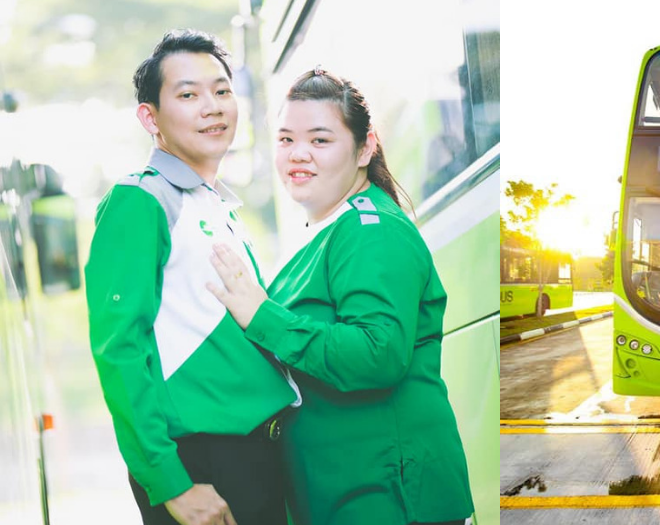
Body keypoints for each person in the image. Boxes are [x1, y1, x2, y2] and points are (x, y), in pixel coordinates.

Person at [206, 69, 474, 525]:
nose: (298, 155)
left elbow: (378, 353)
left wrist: (261, 317)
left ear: (365, 147)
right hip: (348, 495)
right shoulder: (331, 229)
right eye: (286, 140)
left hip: (387, 497)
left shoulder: (371, 231)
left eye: (320, 140)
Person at [86, 30, 298, 525]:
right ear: (150, 118)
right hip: (202, 463)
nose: (212, 106)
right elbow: (118, 349)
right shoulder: (139, 201)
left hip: (256, 453)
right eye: (188, 94)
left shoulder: (217, 203)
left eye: (222, 91)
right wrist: (171, 483)